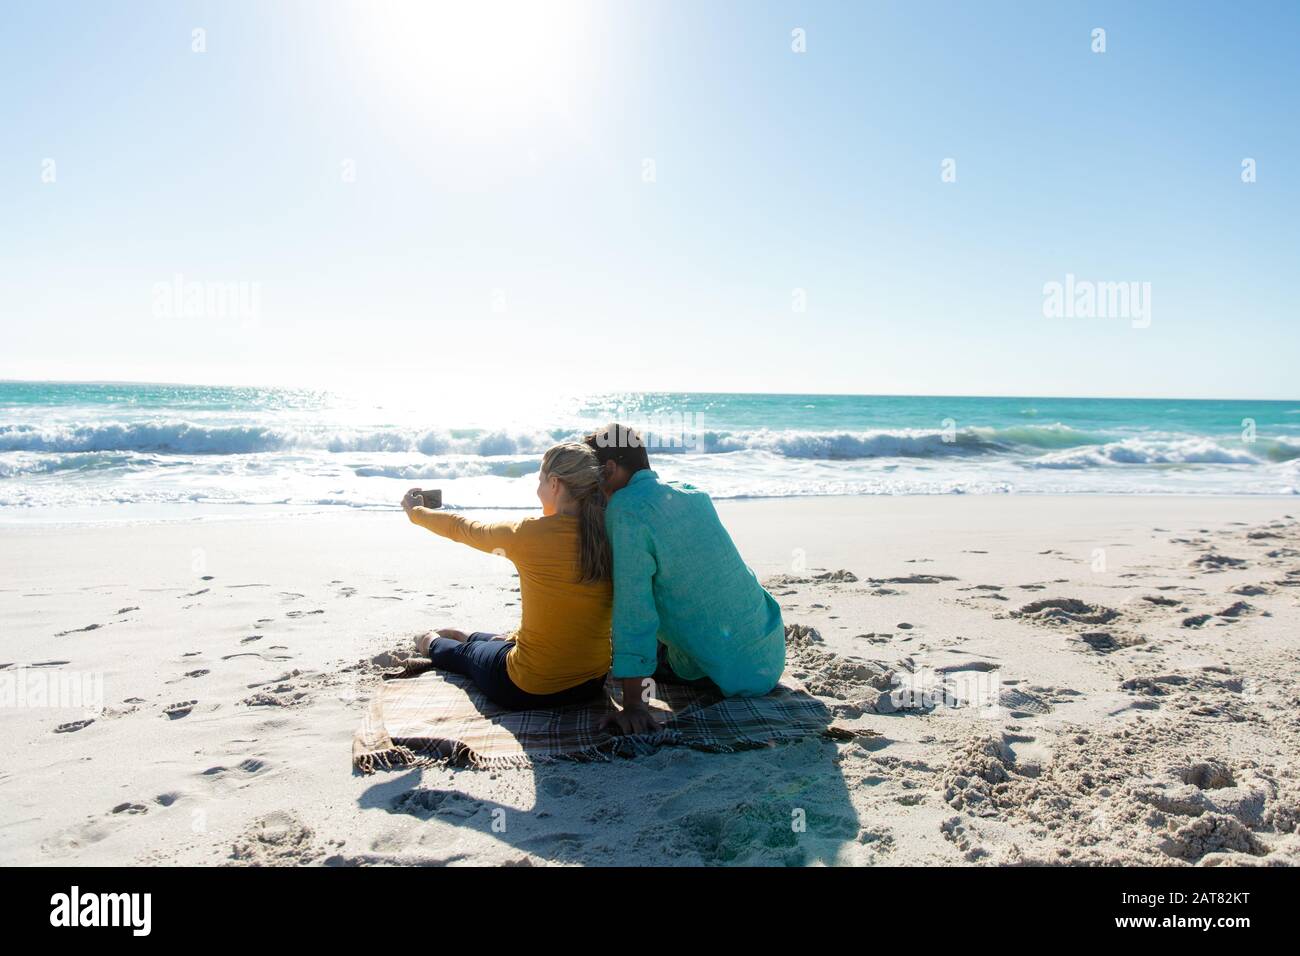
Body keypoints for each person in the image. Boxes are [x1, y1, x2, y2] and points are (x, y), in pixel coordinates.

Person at [584, 423, 786, 734]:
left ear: (609, 469)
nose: (590, 486)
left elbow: (634, 611)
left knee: (616, 663)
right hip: (767, 653)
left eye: (590, 475)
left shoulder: (625, 510)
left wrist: (635, 706)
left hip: (733, 674)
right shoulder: (691, 493)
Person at [400, 442, 612, 710]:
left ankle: (429, 639)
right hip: (591, 683)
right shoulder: (610, 532)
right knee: (496, 641)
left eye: (540, 481)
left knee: (456, 652)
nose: (538, 490)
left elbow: (463, 528)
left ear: (555, 484)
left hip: (528, 687)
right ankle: (472, 636)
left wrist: (415, 512)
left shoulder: (527, 534)